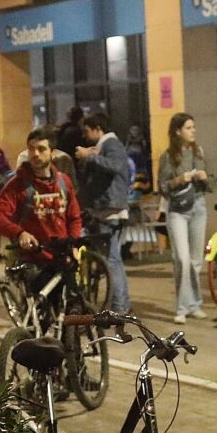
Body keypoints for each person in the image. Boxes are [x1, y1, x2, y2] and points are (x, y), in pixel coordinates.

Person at [0, 127, 85, 299]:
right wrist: (19, 233)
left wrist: (74, 244)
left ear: (52, 153)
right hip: (34, 260)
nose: (35, 154)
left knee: (72, 313)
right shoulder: (18, 185)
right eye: (31, 149)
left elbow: (74, 217)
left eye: (41, 149)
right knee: (40, 318)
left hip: (62, 259)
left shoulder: (64, 182)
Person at [73, 112, 134, 313]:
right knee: (113, 259)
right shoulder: (105, 146)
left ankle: (119, 306)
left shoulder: (111, 144)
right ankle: (121, 304)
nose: (84, 136)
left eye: (87, 131)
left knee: (111, 260)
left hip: (109, 209)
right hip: (107, 208)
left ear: (98, 129)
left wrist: (88, 155)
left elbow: (115, 166)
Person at [156, 112, 213, 322]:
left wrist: (205, 178)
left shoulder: (199, 153)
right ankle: (181, 308)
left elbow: (212, 184)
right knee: (181, 258)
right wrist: (181, 179)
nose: (193, 131)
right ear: (177, 131)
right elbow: (162, 187)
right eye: (188, 128)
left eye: (193, 127)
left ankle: (194, 304)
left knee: (196, 260)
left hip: (198, 206)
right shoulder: (167, 156)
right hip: (177, 210)